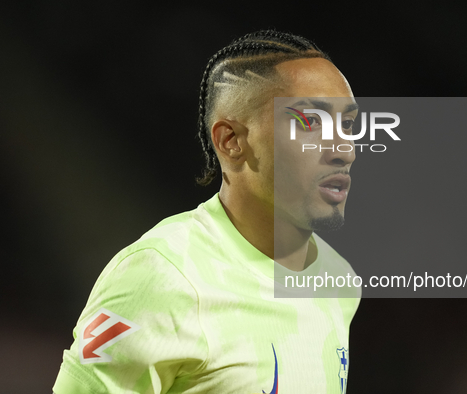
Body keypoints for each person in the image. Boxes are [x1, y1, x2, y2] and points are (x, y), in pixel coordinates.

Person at [53, 30, 360, 394]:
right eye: (310, 123)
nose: (345, 150)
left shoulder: (339, 280)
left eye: (349, 125)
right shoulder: (163, 276)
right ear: (230, 141)